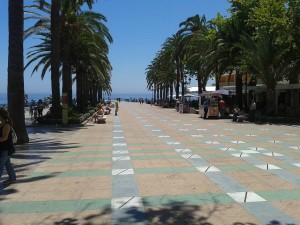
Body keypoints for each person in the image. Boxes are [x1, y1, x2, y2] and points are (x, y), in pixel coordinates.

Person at [0, 108, 16, 186]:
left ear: (1, 116)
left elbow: (4, 138)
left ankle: (12, 178)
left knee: (1, 165)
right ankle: (12, 178)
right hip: (2, 148)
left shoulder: (7, 125)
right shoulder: (1, 124)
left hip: (5, 148)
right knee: (7, 163)